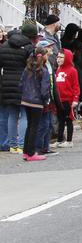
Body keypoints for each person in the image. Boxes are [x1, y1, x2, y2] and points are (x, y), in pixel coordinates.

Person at [0, 22, 36, 153]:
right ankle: (21, 144)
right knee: (24, 115)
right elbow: (32, 66)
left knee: (12, 115)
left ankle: (12, 145)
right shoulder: (28, 47)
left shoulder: (4, 46)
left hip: (7, 84)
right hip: (23, 83)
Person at [20, 46, 51, 162]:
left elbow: (21, 84)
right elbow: (45, 89)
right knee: (34, 127)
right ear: (43, 57)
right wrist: (45, 100)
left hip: (26, 100)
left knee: (29, 126)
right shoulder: (44, 71)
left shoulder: (27, 68)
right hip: (37, 102)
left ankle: (26, 151)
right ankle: (31, 152)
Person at [54, 49, 79, 147]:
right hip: (60, 100)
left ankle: (69, 141)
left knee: (68, 120)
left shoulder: (73, 71)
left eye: (61, 57)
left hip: (68, 100)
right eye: (58, 57)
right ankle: (59, 139)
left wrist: (75, 99)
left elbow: (76, 86)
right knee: (60, 120)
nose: (58, 59)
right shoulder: (58, 69)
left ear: (67, 58)